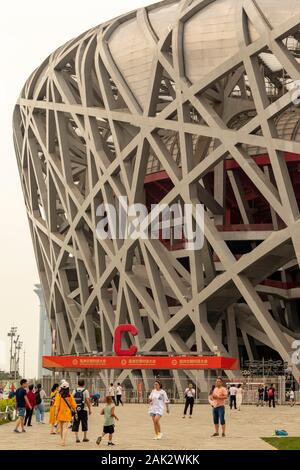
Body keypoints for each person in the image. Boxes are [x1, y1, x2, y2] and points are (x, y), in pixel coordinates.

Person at [54, 381, 77, 446]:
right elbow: (74, 405)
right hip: (67, 413)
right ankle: (63, 441)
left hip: (60, 413)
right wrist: (75, 412)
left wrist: (55, 414)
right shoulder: (70, 395)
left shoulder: (59, 395)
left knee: (61, 427)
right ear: (68, 388)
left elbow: (57, 406)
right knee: (66, 427)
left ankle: (62, 440)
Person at [72, 379, 92, 443]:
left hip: (76, 410)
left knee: (76, 423)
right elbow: (87, 401)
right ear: (84, 384)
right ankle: (85, 437)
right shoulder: (85, 391)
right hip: (83, 410)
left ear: (78, 384)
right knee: (84, 423)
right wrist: (90, 409)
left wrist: (72, 409)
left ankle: (77, 438)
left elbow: (72, 400)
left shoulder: (74, 391)